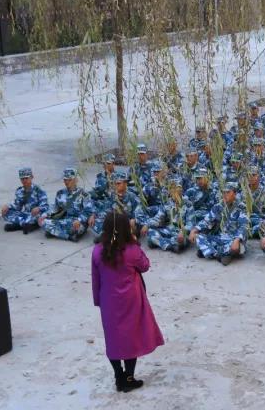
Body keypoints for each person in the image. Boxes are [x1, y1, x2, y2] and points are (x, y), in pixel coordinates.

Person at [92, 211, 164, 392]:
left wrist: (98, 301)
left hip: (109, 301)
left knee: (113, 340)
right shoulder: (131, 250)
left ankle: (119, 376)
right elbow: (145, 266)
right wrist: (135, 241)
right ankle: (129, 377)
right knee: (130, 338)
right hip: (131, 300)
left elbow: (96, 280)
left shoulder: (97, 251)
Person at [188, 181, 250, 265]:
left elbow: (244, 226)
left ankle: (209, 251)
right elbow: (206, 221)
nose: (225, 195)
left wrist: (237, 240)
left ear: (235, 194)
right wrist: (194, 230)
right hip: (219, 237)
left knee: (238, 247)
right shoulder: (218, 206)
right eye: (223, 192)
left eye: (228, 192)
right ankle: (219, 255)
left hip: (232, 239)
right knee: (197, 236)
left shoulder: (241, 207)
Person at [40, 168, 92, 242]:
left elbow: (88, 211)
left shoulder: (84, 194)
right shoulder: (60, 193)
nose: (66, 182)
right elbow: (55, 208)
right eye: (65, 180)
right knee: (43, 222)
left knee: (77, 228)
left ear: (75, 180)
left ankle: (55, 232)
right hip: (64, 220)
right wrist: (45, 214)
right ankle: (69, 236)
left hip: (77, 222)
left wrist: (79, 220)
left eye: (69, 180)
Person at [1, 167, 48, 233]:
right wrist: (7, 206)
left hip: (36, 214)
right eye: (22, 179)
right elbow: (17, 206)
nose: (24, 180)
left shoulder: (39, 190)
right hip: (26, 214)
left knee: (41, 217)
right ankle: (26, 225)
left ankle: (19, 225)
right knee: (6, 213)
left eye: (26, 178)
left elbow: (46, 206)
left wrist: (38, 208)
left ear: (31, 177)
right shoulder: (20, 191)